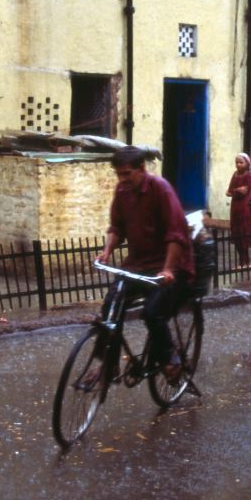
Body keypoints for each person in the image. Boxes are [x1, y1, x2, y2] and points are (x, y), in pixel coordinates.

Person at [96, 146, 195, 380]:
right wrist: (107, 251)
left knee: (152, 313)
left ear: (141, 169)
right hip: (137, 265)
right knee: (110, 308)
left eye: (127, 174)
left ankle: (170, 359)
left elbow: (175, 234)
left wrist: (168, 269)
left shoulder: (161, 189)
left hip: (169, 265)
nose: (122, 179)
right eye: (118, 174)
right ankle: (108, 364)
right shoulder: (122, 191)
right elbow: (116, 227)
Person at [227, 153, 251, 266]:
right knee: (236, 232)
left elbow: (244, 191)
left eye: (241, 162)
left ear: (247, 163)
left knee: (244, 232)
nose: (238, 164)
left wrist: (236, 190)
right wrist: (237, 190)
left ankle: (247, 261)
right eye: (236, 162)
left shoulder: (249, 176)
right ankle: (241, 261)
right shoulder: (235, 175)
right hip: (235, 207)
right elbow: (228, 192)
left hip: (244, 207)